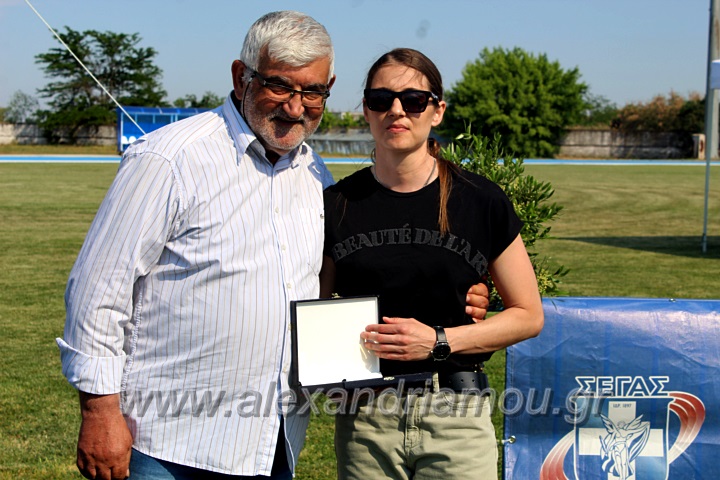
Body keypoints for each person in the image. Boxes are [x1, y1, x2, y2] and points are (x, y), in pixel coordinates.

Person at [57, 12, 490, 480]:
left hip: (270, 445)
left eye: (313, 91)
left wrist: (453, 296)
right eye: (280, 85)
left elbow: (345, 279)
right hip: (167, 445)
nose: (295, 106)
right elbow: (98, 291)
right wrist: (99, 411)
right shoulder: (169, 159)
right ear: (241, 76)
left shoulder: (314, 175)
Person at [320, 48, 544, 480]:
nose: (396, 110)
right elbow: (314, 303)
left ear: (437, 111)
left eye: (413, 100)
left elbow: (528, 315)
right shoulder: (337, 204)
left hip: (456, 415)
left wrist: (439, 341)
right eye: (381, 99)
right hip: (366, 419)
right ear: (366, 110)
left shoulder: (480, 200)